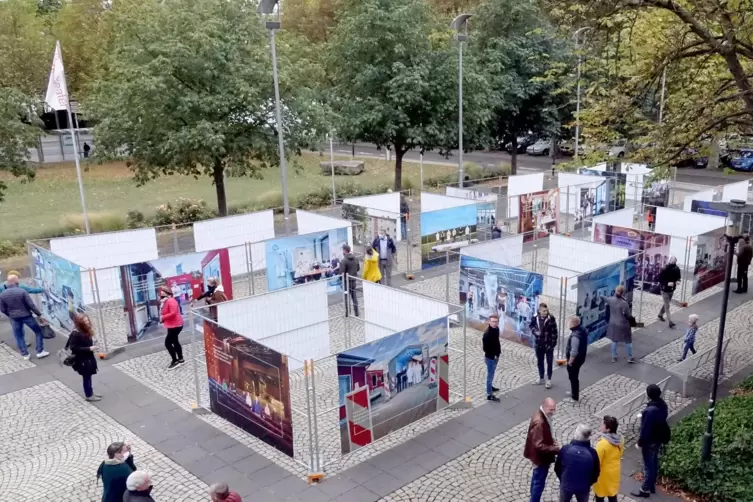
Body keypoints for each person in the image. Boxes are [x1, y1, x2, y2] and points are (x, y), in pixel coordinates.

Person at [631, 384, 670, 498]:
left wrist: (640, 442)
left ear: (649, 395)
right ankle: (651, 484)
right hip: (658, 439)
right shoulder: (663, 405)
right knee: (654, 462)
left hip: (650, 441)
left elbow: (645, 430)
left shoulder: (649, 411)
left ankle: (645, 489)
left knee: (649, 465)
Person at [0, 274, 48, 360]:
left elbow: (2, 309)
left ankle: (25, 354)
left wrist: (10, 314)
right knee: (38, 331)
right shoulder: (22, 291)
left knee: (19, 336)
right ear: (16, 282)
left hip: (14, 318)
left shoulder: (3, 294)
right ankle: (40, 351)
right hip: (26, 315)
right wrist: (39, 315)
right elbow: (31, 305)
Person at [523, 397, 559, 502]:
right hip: (540, 458)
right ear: (544, 407)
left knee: (536, 480)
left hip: (538, 456)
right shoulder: (540, 422)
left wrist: (551, 440)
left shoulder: (541, 414)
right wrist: (554, 449)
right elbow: (539, 445)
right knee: (539, 483)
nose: (553, 412)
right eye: (551, 409)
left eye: (554, 409)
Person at [555, 424, 600, 502]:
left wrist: (563, 480)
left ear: (577, 434)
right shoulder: (592, 453)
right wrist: (588, 483)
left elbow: (557, 468)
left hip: (566, 485)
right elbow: (595, 472)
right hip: (583, 487)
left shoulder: (566, 449)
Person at [68, 313, 101, 401]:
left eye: (87, 320)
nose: (87, 322)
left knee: (88, 376)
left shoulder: (84, 330)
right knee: (86, 377)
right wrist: (89, 348)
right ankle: (89, 395)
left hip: (87, 358)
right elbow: (74, 348)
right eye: (85, 321)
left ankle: (90, 392)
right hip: (82, 360)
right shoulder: (76, 334)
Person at [593, 416, 624, 502]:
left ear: (608, 429)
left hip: (603, 476)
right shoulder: (620, 439)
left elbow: (597, 461)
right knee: (612, 495)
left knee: (600, 497)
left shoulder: (602, 444)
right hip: (614, 473)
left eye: (603, 424)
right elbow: (620, 453)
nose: (601, 425)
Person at [529, 303, 557, 389]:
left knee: (549, 362)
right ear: (539, 311)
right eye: (544, 311)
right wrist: (535, 331)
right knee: (540, 362)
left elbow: (554, 333)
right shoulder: (535, 317)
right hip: (539, 344)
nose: (546, 312)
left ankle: (549, 379)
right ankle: (541, 378)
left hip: (548, 345)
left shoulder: (551, 319)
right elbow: (531, 326)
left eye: (546, 310)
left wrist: (551, 345)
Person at [605, 285, 635, 363]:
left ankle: (614, 357)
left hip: (614, 324)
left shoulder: (611, 300)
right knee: (628, 341)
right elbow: (628, 315)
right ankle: (630, 357)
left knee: (614, 340)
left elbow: (604, 298)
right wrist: (633, 322)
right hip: (623, 324)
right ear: (623, 293)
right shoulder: (624, 303)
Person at [159, 286, 184, 370]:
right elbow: (164, 311)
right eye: (161, 294)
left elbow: (173, 313)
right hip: (172, 325)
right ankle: (181, 358)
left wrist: (163, 318)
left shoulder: (171, 301)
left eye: (163, 294)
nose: (161, 296)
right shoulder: (165, 301)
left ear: (168, 294)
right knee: (175, 341)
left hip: (175, 325)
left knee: (168, 343)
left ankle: (175, 361)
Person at [565, 316, 587, 403]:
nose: (567, 324)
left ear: (573, 324)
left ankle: (574, 397)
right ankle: (573, 392)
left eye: (569, 322)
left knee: (573, 377)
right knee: (574, 377)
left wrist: (570, 362)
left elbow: (574, 351)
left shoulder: (575, 336)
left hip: (575, 361)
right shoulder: (582, 330)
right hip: (581, 358)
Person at [657, 256, 681, 329]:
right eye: (672, 261)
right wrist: (666, 283)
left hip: (672, 289)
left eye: (674, 262)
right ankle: (670, 321)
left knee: (666, 303)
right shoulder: (665, 268)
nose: (673, 262)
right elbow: (659, 279)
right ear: (670, 261)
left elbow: (679, 277)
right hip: (664, 290)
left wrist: (678, 281)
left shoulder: (677, 269)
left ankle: (660, 314)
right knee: (667, 305)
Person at [482, 314, 501, 402]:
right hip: (490, 358)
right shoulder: (487, 334)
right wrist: (493, 355)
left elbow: (496, 341)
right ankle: (489, 394)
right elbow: (485, 348)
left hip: (496, 356)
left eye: (496, 321)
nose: (494, 323)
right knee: (490, 375)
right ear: (489, 322)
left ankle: (490, 387)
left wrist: (497, 353)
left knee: (492, 373)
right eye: (493, 321)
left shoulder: (496, 329)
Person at [339, 245, 360, 316]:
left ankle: (347, 313)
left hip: (346, 281)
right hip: (353, 281)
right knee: (354, 297)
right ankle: (356, 312)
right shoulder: (355, 259)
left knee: (346, 297)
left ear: (345, 250)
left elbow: (341, 272)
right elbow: (358, 268)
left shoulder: (344, 260)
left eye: (343, 250)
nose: (342, 252)